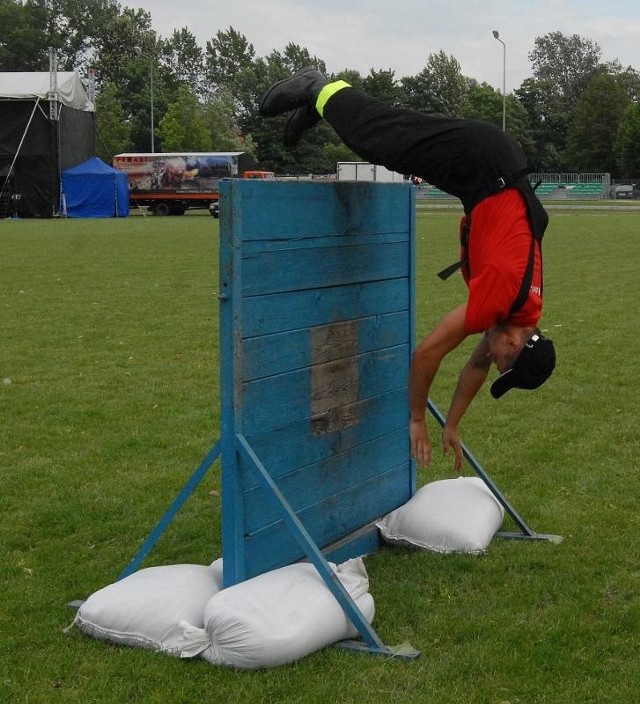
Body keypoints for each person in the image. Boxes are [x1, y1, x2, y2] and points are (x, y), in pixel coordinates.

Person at [259, 68, 556, 471]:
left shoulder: (525, 314)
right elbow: (427, 353)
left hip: (488, 172)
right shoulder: (501, 300)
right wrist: (417, 420)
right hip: (483, 164)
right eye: (504, 364)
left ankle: (320, 105)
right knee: (386, 139)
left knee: (387, 143)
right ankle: (319, 87)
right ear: (515, 346)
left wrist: (451, 425)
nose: (493, 360)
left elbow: (476, 366)